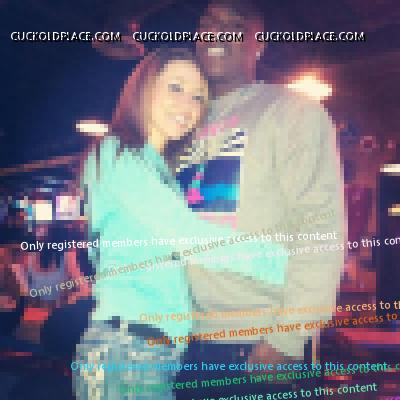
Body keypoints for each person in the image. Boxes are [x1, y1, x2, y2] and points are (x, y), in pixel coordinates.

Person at [73, 47, 287, 400]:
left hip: (147, 349)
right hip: (128, 348)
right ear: (144, 88)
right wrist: (284, 261)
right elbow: (187, 236)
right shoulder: (116, 153)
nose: (187, 104)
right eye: (175, 87)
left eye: (198, 97)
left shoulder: (159, 169)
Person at [174, 0, 345, 386]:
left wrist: (289, 338)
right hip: (186, 341)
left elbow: (320, 225)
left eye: (234, 26)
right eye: (207, 23)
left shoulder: (290, 111)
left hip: (258, 344)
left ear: (259, 44)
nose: (216, 33)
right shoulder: (179, 122)